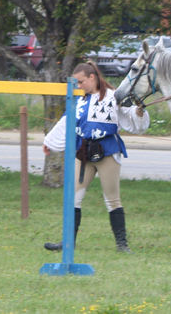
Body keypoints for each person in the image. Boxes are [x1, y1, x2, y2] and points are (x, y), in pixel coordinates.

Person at [43, 61, 150, 253]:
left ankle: (122, 245)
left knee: (112, 199)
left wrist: (140, 110)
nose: (79, 86)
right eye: (76, 83)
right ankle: (68, 242)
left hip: (108, 151)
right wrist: (49, 141)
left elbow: (133, 117)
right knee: (72, 198)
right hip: (83, 152)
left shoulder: (114, 96)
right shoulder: (78, 99)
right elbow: (66, 121)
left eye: (81, 82)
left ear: (92, 77)